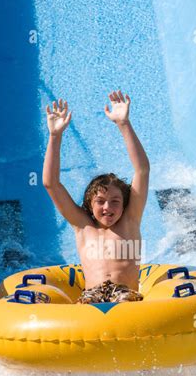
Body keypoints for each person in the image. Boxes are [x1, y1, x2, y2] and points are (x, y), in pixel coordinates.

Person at [42, 91, 150, 303]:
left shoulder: (130, 220)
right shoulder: (82, 225)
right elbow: (51, 184)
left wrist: (124, 124)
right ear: (89, 206)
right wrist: (55, 136)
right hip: (92, 296)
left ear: (125, 204)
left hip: (124, 294)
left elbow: (142, 170)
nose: (107, 207)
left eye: (115, 202)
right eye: (100, 201)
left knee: (125, 301)